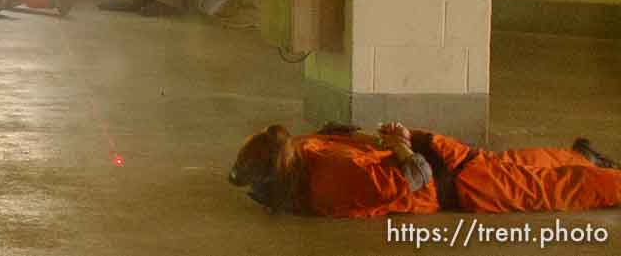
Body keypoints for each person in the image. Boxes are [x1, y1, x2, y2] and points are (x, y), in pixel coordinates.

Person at [229, 122, 621, 218]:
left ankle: (584, 160)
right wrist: (400, 145)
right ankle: (600, 175)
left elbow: (340, 132)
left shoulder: (308, 153)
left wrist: (389, 140)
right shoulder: (336, 181)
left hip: (459, 163)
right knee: (557, 187)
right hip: (463, 185)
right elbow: (416, 179)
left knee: (530, 162)